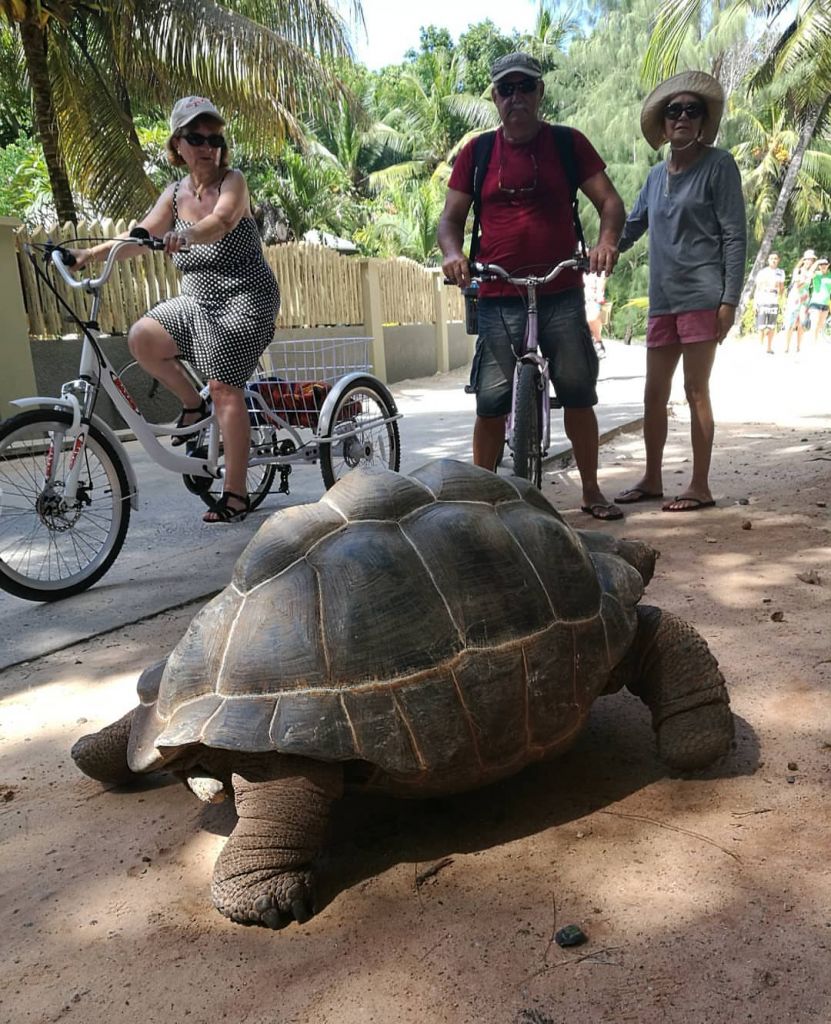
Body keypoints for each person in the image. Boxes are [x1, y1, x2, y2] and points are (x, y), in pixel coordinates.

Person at [70, 97, 280, 524]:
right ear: (177, 145)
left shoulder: (232, 182)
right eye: (196, 137)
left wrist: (185, 237)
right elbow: (140, 235)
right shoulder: (175, 193)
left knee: (224, 386)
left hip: (246, 295)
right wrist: (89, 254)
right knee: (142, 338)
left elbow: (220, 222)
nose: (208, 146)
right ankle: (192, 403)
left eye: (214, 138)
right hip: (197, 298)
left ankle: (235, 494)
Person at [438, 52, 626, 521]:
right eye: (506, 89)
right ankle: (482, 499)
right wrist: (453, 254)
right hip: (499, 294)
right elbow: (450, 220)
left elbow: (609, 202)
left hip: (560, 288)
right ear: (495, 98)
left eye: (526, 87)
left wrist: (605, 244)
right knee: (490, 401)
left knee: (578, 390)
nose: (516, 97)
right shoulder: (476, 153)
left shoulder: (567, 144)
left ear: (540, 93)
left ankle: (591, 490)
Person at [613, 70, 746, 513]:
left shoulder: (719, 165)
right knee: (653, 394)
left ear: (703, 121)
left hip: (703, 296)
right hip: (663, 300)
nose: (683, 117)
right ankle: (652, 479)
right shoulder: (655, 177)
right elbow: (633, 225)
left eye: (692, 110)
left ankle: (700, 485)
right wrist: (603, 248)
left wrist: (729, 301)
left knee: (695, 390)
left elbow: (734, 235)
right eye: (674, 111)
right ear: (664, 124)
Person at [783, 250, 815, 355]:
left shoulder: (810, 272)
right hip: (795, 298)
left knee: (802, 323)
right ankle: (786, 346)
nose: (809, 261)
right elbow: (797, 285)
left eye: (811, 260)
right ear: (804, 260)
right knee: (791, 323)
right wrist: (806, 279)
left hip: (805, 299)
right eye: (808, 259)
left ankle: (798, 347)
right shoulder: (798, 270)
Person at [753, 252, 784, 354]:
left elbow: (781, 290)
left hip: (774, 301)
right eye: (771, 258)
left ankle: (769, 347)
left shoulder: (780, 272)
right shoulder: (763, 272)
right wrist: (755, 303)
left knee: (771, 326)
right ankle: (760, 346)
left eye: (776, 258)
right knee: (761, 326)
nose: (774, 260)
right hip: (763, 300)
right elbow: (757, 289)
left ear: (778, 260)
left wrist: (780, 289)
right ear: (768, 260)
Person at [806, 256, 831, 344]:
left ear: (829, 265)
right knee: (814, 324)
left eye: (825, 264)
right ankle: (812, 345)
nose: (823, 266)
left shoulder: (830, 276)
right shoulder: (816, 274)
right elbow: (808, 274)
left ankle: (816, 343)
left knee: (820, 326)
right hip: (815, 303)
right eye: (821, 264)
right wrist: (817, 262)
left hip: (825, 304)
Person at [584, 271, 607, 356]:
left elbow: (601, 279)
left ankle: (598, 342)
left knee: (593, 318)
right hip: (578, 296)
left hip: (592, 298)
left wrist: (600, 295)